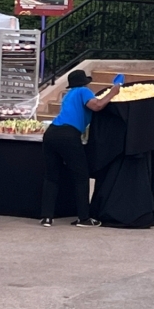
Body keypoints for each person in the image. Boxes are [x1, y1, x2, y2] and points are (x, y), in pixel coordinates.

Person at [40, 69, 120, 228]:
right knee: (81, 176)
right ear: (85, 82)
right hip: (69, 135)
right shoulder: (84, 91)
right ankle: (84, 217)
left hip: (51, 133)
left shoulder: (68, 95)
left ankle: (47, 217)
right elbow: (96, 106)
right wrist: (113, 92)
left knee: (51, 176)